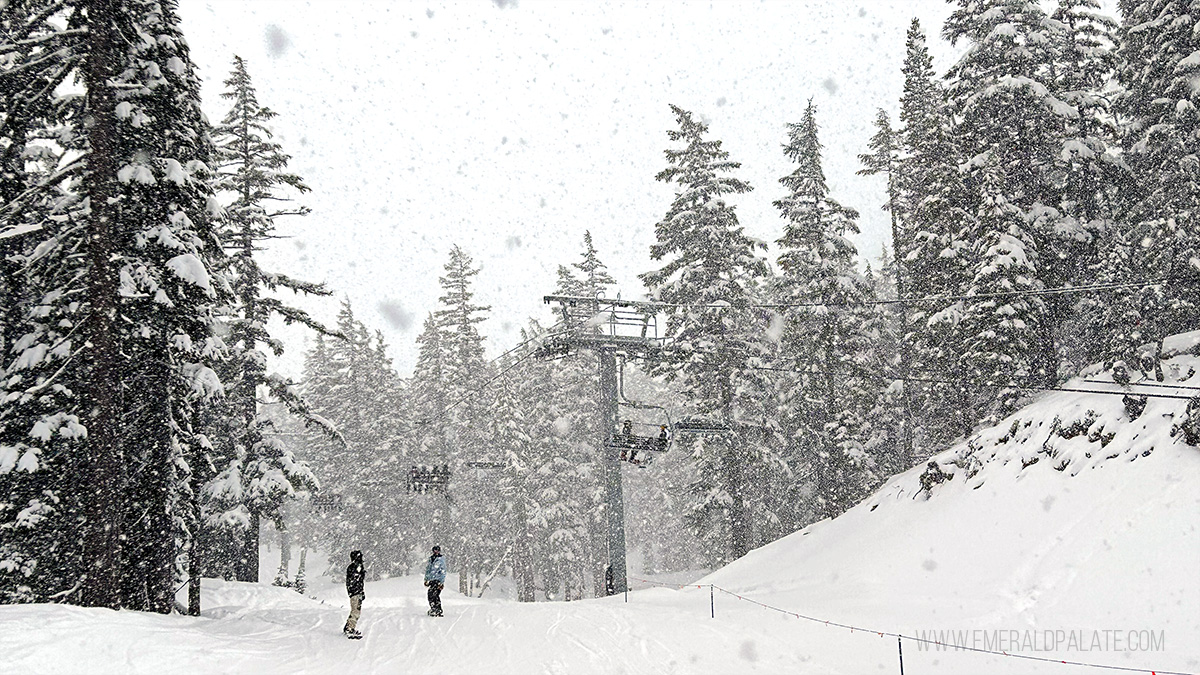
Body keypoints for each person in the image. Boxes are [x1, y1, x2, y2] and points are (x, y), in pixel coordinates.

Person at [343, 550, 365, 639]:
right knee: (355, 611)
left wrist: (361, 592)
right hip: (355, 592)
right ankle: (349, 628)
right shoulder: (354, 568)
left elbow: (358, 581)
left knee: (356, 611)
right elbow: (354, 581)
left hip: (356, 592)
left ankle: (349, 627)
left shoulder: (356, 567)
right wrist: (357, 591)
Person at [423, 545, 447, 617]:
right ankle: (434, 609)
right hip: (431, 580)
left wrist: (441, 582)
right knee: (430, 595)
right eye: (434, 550)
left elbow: (443, 572)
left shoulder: (440, 560)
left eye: (437, 550)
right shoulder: (431, 559)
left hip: (437, 580)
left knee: (435, 595)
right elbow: (428, 570)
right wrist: (426, 579)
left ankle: (438, 610)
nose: (436, 552)